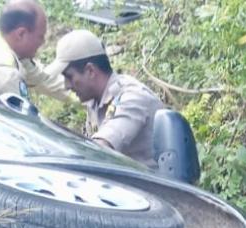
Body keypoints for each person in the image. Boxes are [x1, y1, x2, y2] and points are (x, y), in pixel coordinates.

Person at [47, 29, 164, 168]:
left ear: (90, 71)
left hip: (150, 187)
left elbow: (100, 149)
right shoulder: (95, 101)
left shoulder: (132, 97)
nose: (66, 86)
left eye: (69, 77)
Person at [0, 0, 69, 100]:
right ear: (21, 34)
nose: (43, 42)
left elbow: (40, 78)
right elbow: (22, 119)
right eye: (40, 36)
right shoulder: (5, 75)